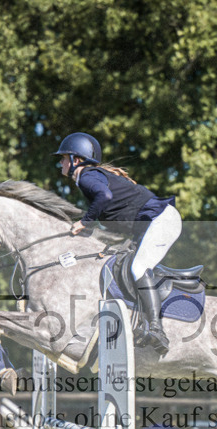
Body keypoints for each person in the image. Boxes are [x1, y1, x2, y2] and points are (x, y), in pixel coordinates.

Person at [54, 132, 182, 355]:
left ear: (76, 160)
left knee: (138, 268)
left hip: (161, 221)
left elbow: (104, 196)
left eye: (64, 158)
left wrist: (84, 222)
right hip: (151, 225)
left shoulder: (86, 176)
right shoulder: (92, 176)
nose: (61, 163)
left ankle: (156, 329)